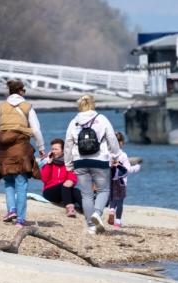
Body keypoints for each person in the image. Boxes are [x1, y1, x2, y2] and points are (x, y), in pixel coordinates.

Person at [0, 79, 46, 226]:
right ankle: (20, 219)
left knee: (9, 182)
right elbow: (36, 129)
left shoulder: (2, 107)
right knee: (21, 183)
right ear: (21, 91)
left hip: (4, 150)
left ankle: (11, 209)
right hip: (21, 149)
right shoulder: (27, 107)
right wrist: (41, 147)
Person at [63, 94, 122, 235]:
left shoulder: (74, 122)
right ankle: (97, 213)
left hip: (79, 161)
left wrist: (68, 163)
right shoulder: (101, 119)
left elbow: (68, 144)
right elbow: (112, 138)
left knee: (86, 195)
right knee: (103, 190)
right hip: (99, 160)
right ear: (93, 104)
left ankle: (91, 226)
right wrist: (115, 155)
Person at [40, 139, 83, 216]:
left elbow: (73, 176)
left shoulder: (68, 163)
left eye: (56, 149)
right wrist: (49, 163)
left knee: (76, 191)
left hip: (64, 191)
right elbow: (44, 179)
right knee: (64, 184)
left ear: (63, 151)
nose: (54, 151)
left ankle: (86, 210)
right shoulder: (48, 163)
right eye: (52, 149)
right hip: (50, 191)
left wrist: (72, 181)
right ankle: (69, 208)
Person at [107, 132, 140, 228]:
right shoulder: (123, 155)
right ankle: (117, 222)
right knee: (120, 201)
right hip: (121, 182)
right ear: (122, 143)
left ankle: (111, 210)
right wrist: (136, 167)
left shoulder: (108, 155)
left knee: (113, 198)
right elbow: (128, 170)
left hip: (111, 181)